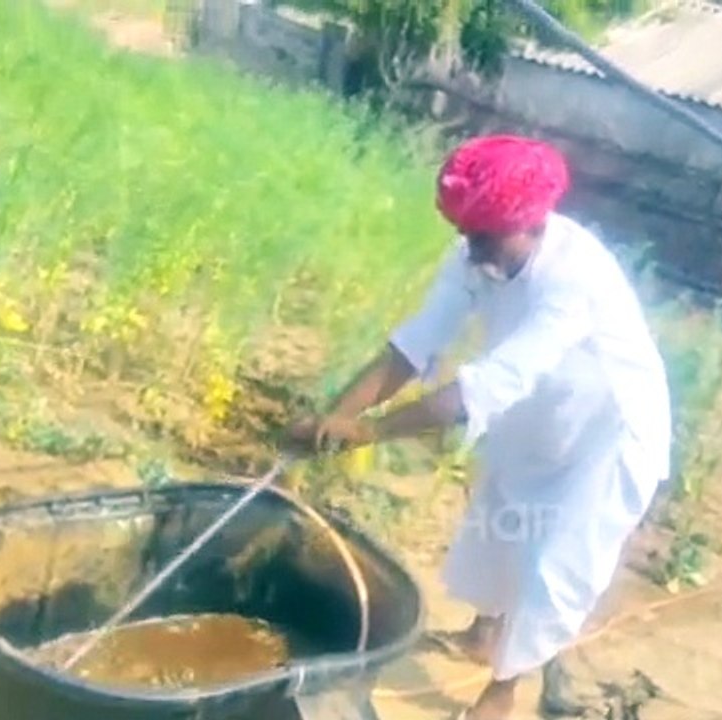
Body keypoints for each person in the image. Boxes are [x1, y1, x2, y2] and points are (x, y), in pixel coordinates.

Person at [287, 134, 672, 720]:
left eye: (485, 238)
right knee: (502, 526)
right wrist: (337, 416)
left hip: (605, 434)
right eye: (466, 236)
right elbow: (414, 345)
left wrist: (374, 431)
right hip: (535, 414)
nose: (472, 251)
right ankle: (483, 635)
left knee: (557, 565)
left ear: (530, 222)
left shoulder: (574, 280)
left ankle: (503, 689)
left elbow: (486, 386)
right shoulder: (478, 254)